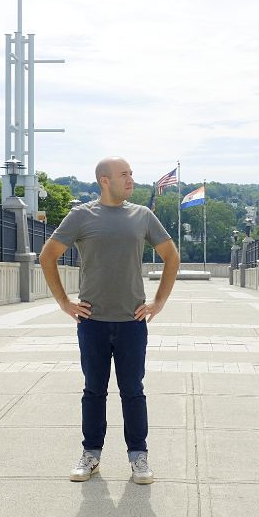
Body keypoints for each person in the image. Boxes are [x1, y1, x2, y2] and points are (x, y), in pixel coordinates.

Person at [39, 157, 178, 484]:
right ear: (105, 180)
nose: (130, 179)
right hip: (93, 322)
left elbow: (171, 256)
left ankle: (138, 457)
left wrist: (158, 302)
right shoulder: (81, 216)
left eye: (130, 173)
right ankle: (91, 455)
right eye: (123, 174)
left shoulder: (142, 216)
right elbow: (48, 255)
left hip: (132, 322)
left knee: (133, 391)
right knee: (94, 391)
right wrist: (64, 302)